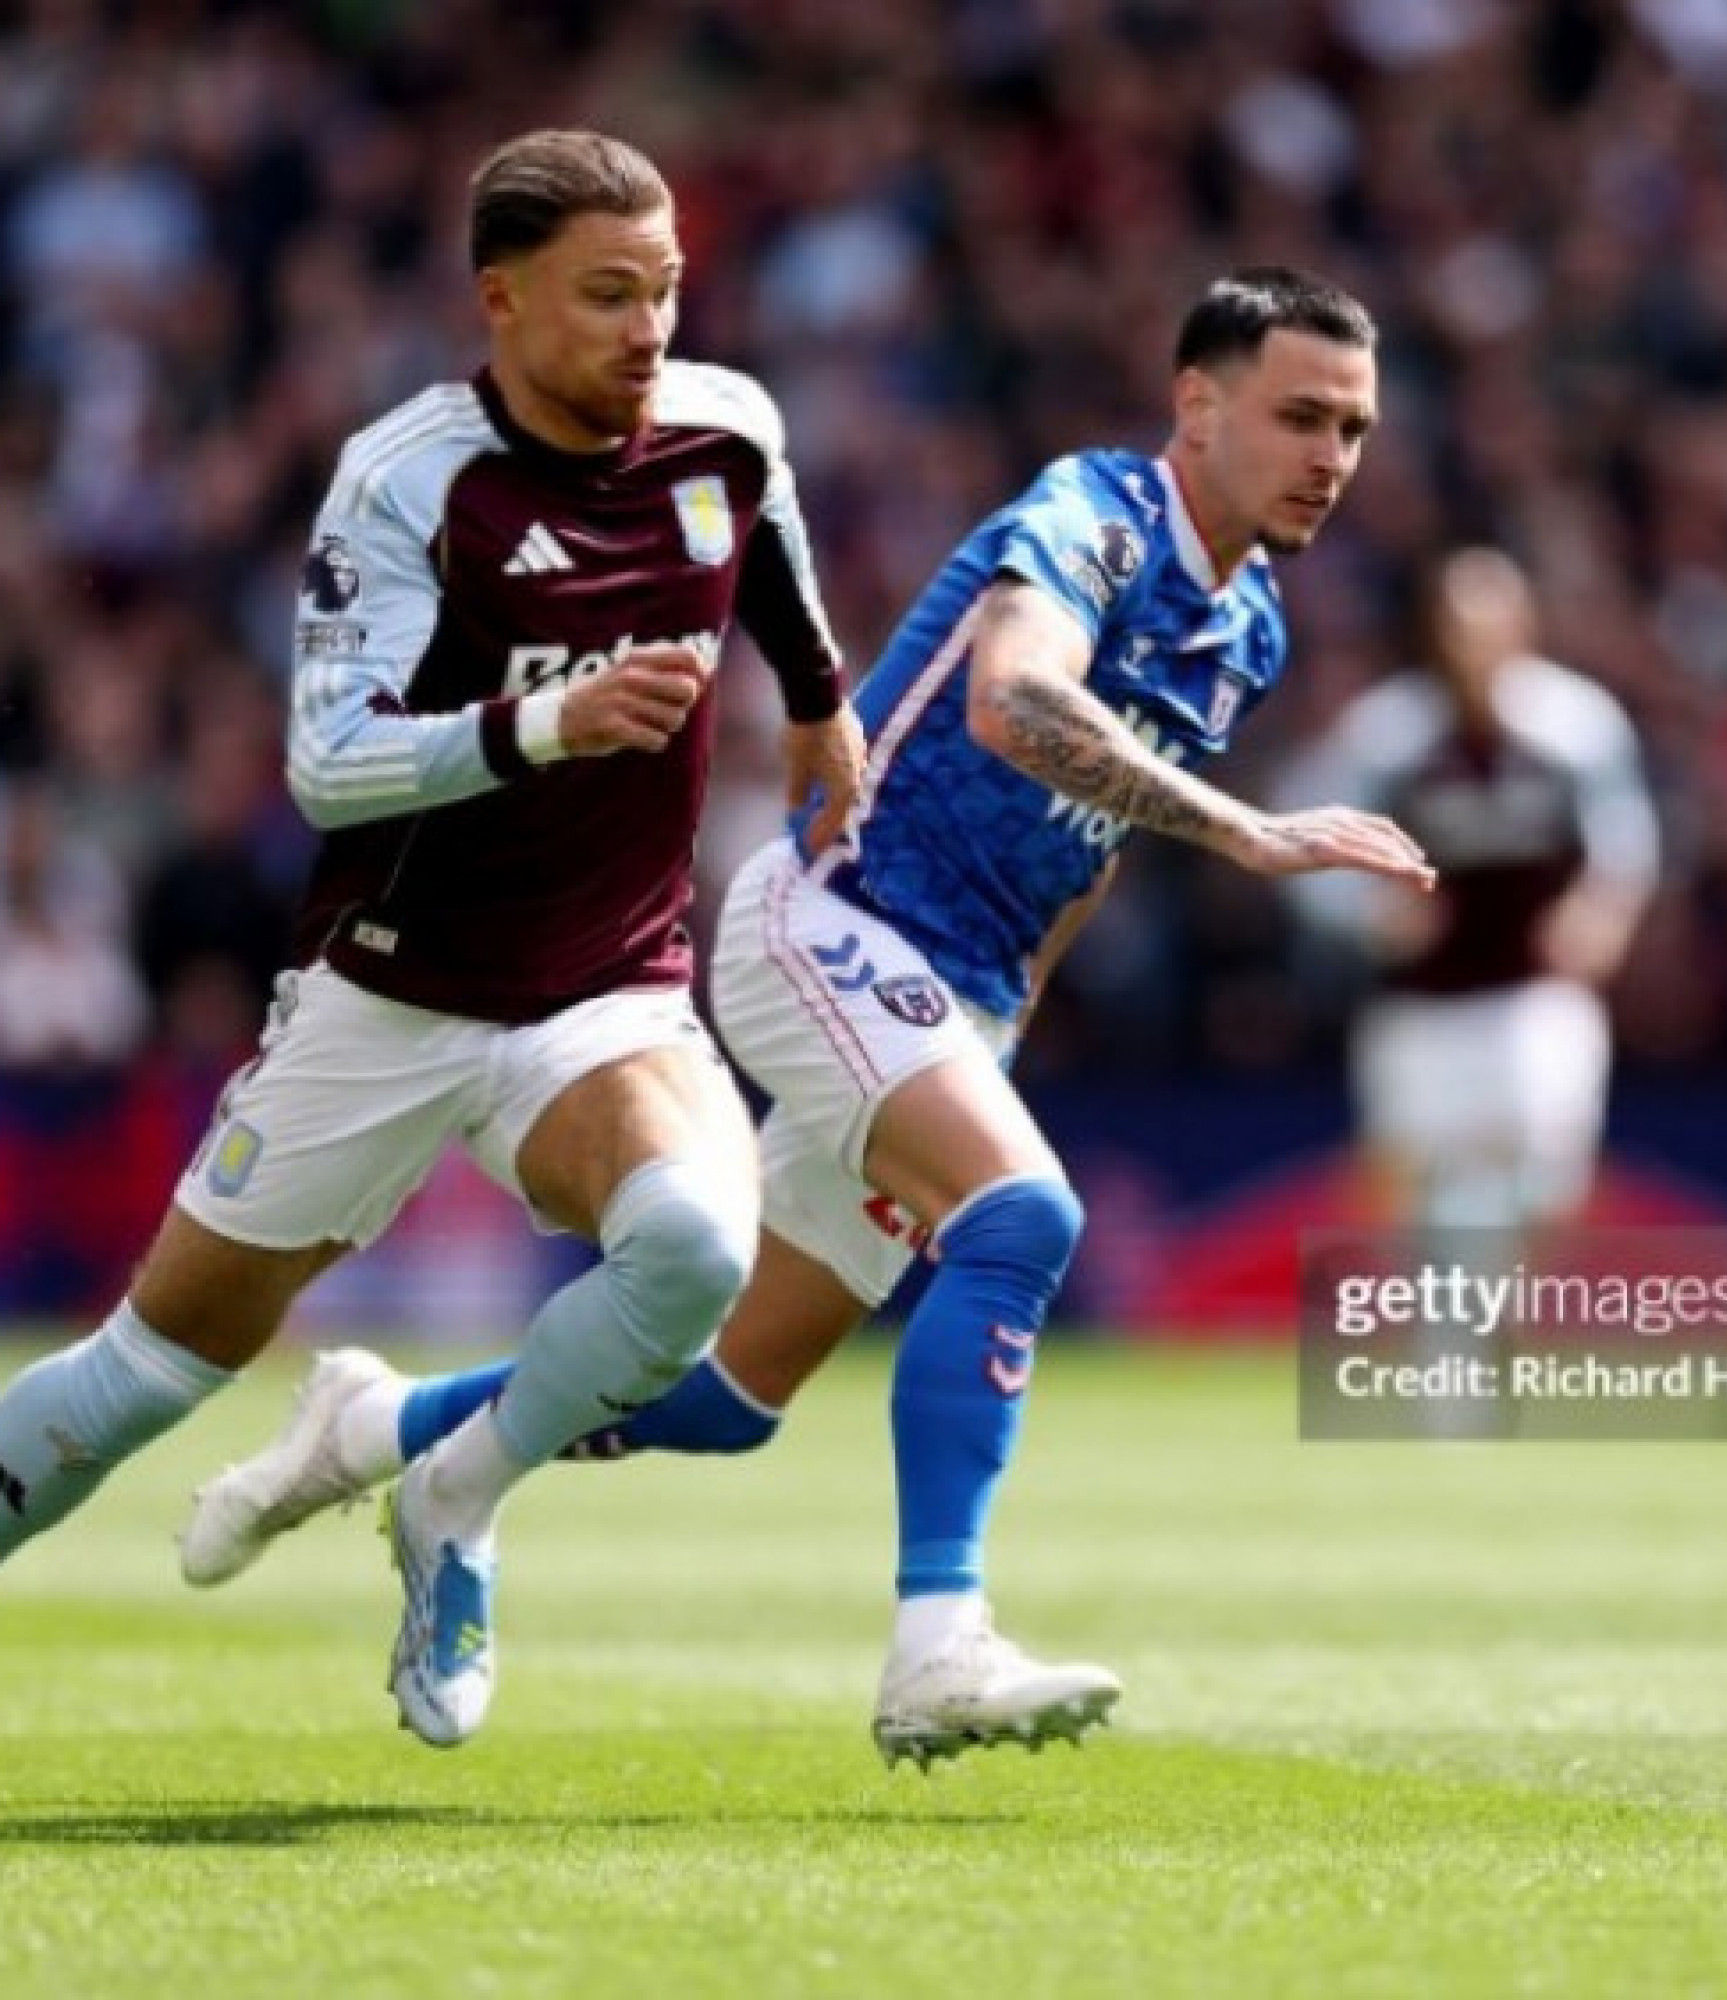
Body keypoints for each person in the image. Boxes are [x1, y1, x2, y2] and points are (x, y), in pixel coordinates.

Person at [181, 267, 1433, 1766]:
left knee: (723, 1397)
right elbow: (1014, 702)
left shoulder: (1253, 626)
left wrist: (1009, 1023)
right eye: (1300, 417)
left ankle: (386, 1436)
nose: (1330, 459)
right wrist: (1249, 832)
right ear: (1197, 405)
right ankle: (937, 1647)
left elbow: (1083, 852)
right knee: (1026, 1219)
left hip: (950, 997)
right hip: (830, 924)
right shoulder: (1095, 515)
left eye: (1353, 430)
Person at [0, 128, 866, 1752]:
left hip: (605, 989)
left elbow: (770, 526)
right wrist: (551, 722)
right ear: (503, 300)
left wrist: (820, 702)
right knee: (142, 1382)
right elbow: (329, 761)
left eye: (667, 291)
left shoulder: (722, 428)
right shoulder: (415, 481)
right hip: (387, 995)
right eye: (608, 296)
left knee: (691, 1248)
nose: (648, 330)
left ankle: (453, 1497)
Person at [1274, 546, 1658, 1259]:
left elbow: (1625, 841)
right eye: (1456, 625)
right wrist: (1368, 913)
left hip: (1535, 996)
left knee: (1545, 1186)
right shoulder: (1388, 735)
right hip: (1422, 1007)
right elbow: (1303, 837)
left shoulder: (1575, 725)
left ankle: (1486, 1334)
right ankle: (1448, 1356)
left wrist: (1600, 911)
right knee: (1428, 1202)